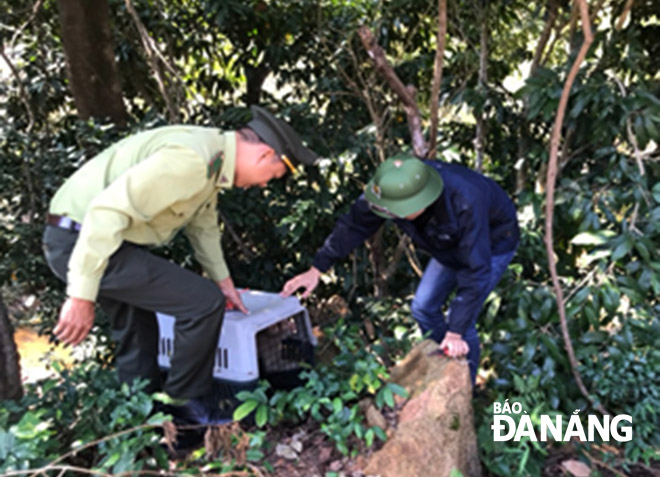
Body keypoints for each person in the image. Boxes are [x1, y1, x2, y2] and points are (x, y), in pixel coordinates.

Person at [43, 105, 317, 424]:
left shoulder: (212, 159)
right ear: (265, 155)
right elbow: (105, 212)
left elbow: (203, 225)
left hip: (96, 240)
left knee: (138, 330)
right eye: (272, 176)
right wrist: (81, 296)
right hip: (83, 242)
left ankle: (143, 423)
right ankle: (184, 409)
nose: (263, 185)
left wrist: (224, 282)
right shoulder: (192, 160)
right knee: (202, 304)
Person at [281, 155, 519, 385]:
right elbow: (353, 225)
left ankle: (463, 388)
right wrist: (316, 269)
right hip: (445, 244)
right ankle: (446, 364)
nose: (388, 215)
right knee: (423, 308)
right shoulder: (390, 189)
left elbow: (476, 270)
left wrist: (455, 331)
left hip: (492, 243)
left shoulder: (465, 199)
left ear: (420, 202)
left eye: (395, 211)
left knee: (462, 323)